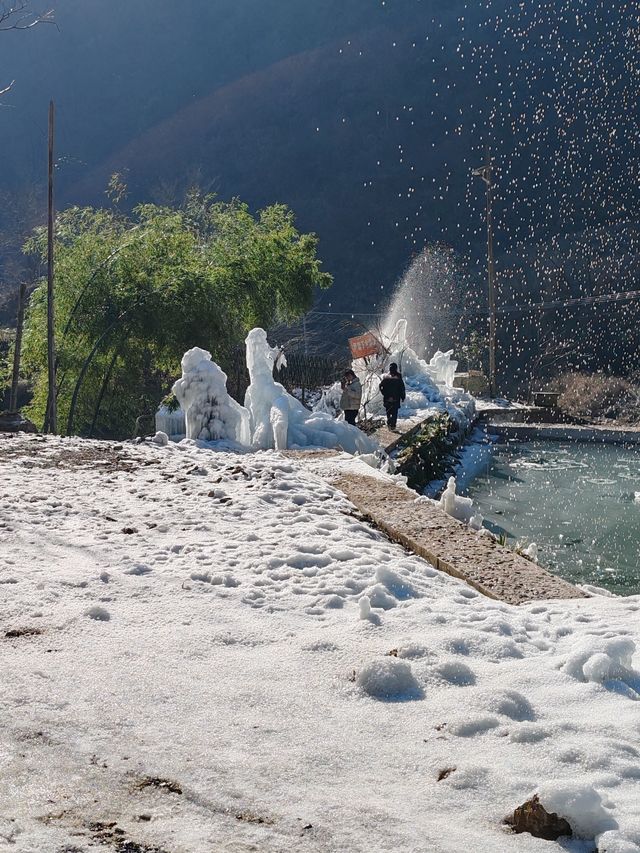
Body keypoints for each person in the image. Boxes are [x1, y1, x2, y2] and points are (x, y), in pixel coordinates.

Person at [379, 363, 406, 430]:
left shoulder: (386, 376)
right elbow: (402, 388)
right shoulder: (398, 377)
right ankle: (393, 425)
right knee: (394, 412)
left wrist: (384, 393)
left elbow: (381, 386)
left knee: (388, 411)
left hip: (387, 398)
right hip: (395, 398)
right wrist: (403, 396)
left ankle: (389, 422)